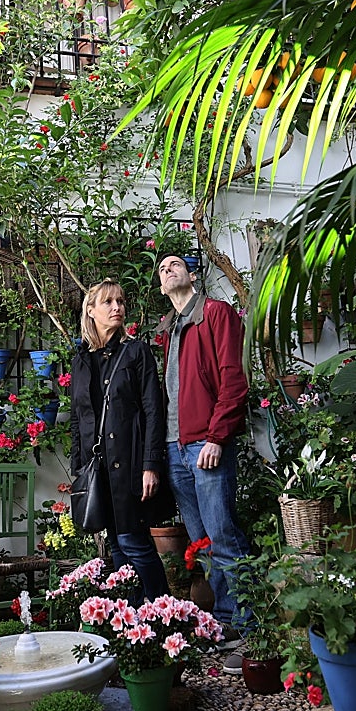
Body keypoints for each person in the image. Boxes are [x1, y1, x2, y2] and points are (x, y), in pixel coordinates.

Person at [155, 254, 252, 672]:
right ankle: (224, 622)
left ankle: (247, 626)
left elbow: (234, 376)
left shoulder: (216, 313)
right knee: (203, 543)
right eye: (161, 269)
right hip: (175, 448)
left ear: (191, 274)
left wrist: (218, 435)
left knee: (223, 534)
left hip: (205, 445)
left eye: (174, 264)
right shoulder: (170, 329)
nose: (167, 270)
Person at [69, 279, 169, 599]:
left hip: (130, 464)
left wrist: (150, 465)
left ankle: (162, 611)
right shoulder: (81, 360)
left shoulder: (136, 352)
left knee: (133, 543)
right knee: (117, 548)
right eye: (108, 302)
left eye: (121, 302)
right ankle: (134, 619)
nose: (117, 308)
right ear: (91, 310)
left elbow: (155, 410)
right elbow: (78, 417)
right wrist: (79, 470)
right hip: (98, 471)